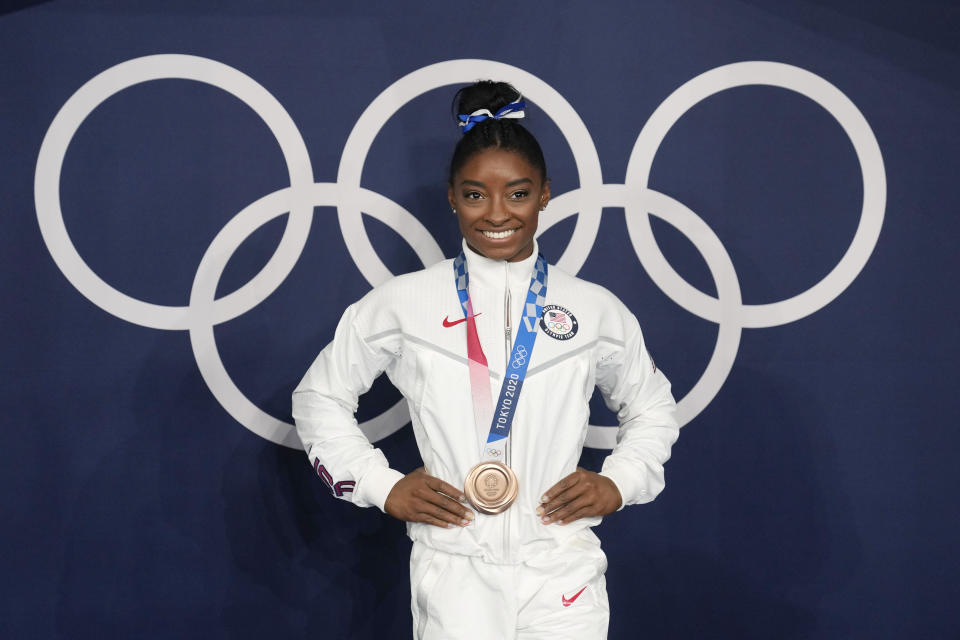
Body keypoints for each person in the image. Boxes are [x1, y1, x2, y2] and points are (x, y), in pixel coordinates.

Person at [292, 80, 679, 640]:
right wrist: (380, 484)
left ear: (546, 194)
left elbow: (652, 409)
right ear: (451, 197)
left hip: (561, 566)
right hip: (454, 568)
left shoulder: (593, 310)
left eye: (518, 194)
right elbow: (318, 398)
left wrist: (620, 480)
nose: (497, 213)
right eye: (475, 195)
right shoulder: (403, 303)